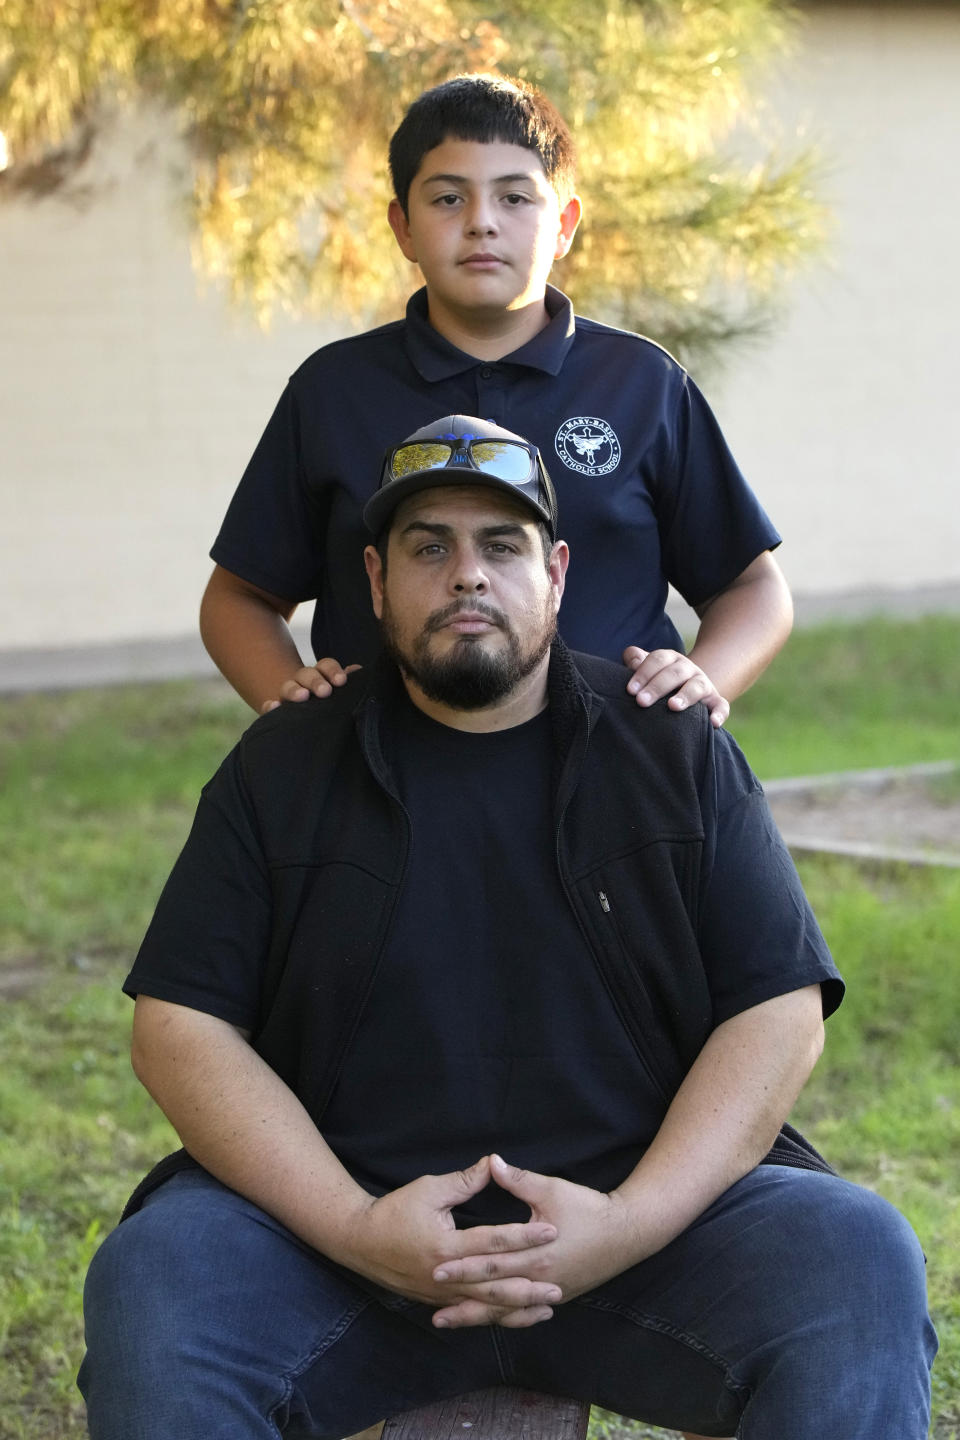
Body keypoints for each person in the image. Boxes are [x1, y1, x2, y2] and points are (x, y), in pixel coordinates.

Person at [79, 415, 936, 1440]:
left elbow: (778, 1011)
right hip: (339, 1259)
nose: (465, 576)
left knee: (856, 1258)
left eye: (501, 546)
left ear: (557, 573)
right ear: (376, 581)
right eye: (428, 547)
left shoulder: (672, 750)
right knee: (157, 1278)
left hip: (648, 1247)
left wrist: (626, 1225)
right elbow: (180, 1027)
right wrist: (356, 1228)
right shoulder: (283, 767)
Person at [199, 73, 794, 729]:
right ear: (402, 227)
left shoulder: (642, 384)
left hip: (613, 774)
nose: (481, 223)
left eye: (515, 198)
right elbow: (238, 597)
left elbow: (752, 588)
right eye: (448, 199)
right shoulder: (334, 392)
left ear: (564, 224)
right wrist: (299, 718)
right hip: (384, 782)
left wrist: (700, 683)